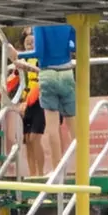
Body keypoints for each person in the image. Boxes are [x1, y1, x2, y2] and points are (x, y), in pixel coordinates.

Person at [31, 24, 77, 170]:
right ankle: (83, 166)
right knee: (74, 124)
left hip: (47, 72)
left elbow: (39, 51)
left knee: (52, 127)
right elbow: (74, 47)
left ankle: (57, 168)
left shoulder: (39, 23)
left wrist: (17, 55)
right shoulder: (69, 23)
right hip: (67, 71)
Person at [9, 28, 46, 177]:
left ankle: (41, 174)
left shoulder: (41, 58)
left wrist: (29, 100)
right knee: (27, 140)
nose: (30, 44)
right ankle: (32, 174)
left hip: (40, 101)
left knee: (34, 138)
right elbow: (14, 78)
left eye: (32, 41)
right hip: (26, 101)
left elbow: (41, 79)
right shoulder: (22, 61)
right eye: (27, 42)